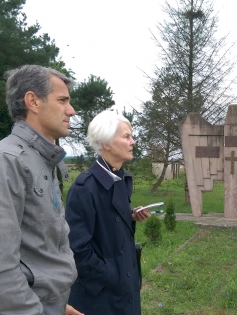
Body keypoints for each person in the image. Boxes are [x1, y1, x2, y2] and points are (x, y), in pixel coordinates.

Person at [0, 65, 83, 315]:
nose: (71, 111)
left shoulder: (42, 159)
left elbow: (39, 248)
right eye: (62, 100)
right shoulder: (5, 162)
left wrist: (58, 306)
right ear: (33, 101)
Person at [65, 110, 150, 315]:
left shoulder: (120, 179)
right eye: (126, 136)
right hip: (100, 297)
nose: (133, 142)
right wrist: (110, 277)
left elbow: (108, 224)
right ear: (106, 143)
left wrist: (129, 216)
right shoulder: (84, 188)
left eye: (132, 136)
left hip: (125, 287)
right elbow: (76, 247)